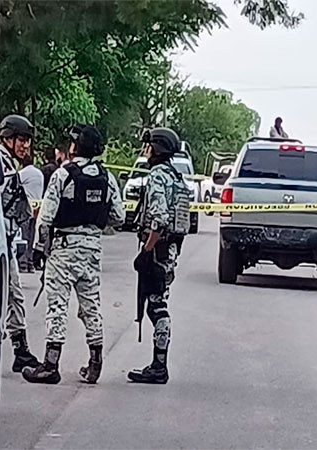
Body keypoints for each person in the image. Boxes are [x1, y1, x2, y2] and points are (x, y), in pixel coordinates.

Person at [22, 125, 125, 385]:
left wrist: (38, 249)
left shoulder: (63, 174)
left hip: (64, 249)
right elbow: (119, 217)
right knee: (91, 306)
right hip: (92, 250)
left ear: (76, 146)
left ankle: (50, 365)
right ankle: (95, 363)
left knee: (57, 306)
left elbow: (45, 218)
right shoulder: (107, 177)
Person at [128, 127, 190, 384]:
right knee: (159, 300)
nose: (145, 150)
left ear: (157, 148)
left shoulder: (157, 176)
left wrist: (147, 249)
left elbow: (160, 218)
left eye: (148, 146)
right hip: (171, 249)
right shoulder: (177, 177)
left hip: (158, 249)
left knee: (156, 306)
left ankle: (159, 366)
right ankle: (159, 363)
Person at [0, 114, 41, 372]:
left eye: (27, 141)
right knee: (10, 294)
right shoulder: (1, 164)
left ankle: (19, 349)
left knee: (13, 294)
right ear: (8, 139)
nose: (26, 145)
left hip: (6, 240)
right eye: (22, 140)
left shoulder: (7, 164)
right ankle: (16, 349)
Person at [18, 150, 45, 273]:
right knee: (32, 235)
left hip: (27, 206)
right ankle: (30, 262)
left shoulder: (23, 173)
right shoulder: (39, 173)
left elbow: (15, 184)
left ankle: (23, 263)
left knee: (24, 235)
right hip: (37, 206)